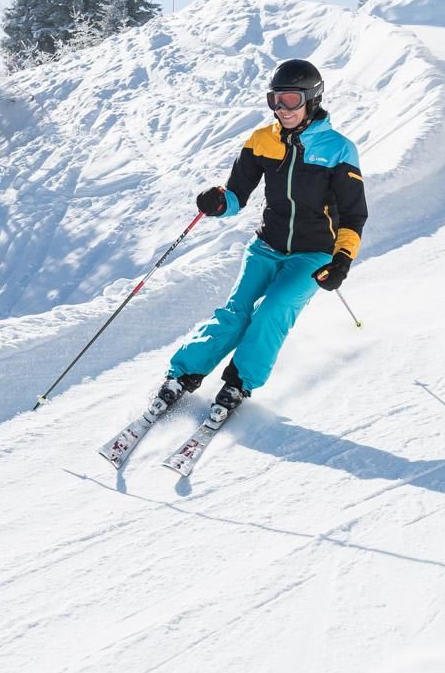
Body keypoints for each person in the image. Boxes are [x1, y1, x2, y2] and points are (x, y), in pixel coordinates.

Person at [148, 58, 367, 424]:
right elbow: (236, 194)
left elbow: (353, 214)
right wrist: (219, 202)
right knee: (236, 313)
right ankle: (184, 372)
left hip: (313, 253)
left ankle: (239, 382)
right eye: (275, 100)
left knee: (271, 312)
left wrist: (341, 259)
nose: (282, 109)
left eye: (291, 100)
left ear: (312, 99)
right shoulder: (262, 140)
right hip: (266, 246)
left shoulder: (338, 149)